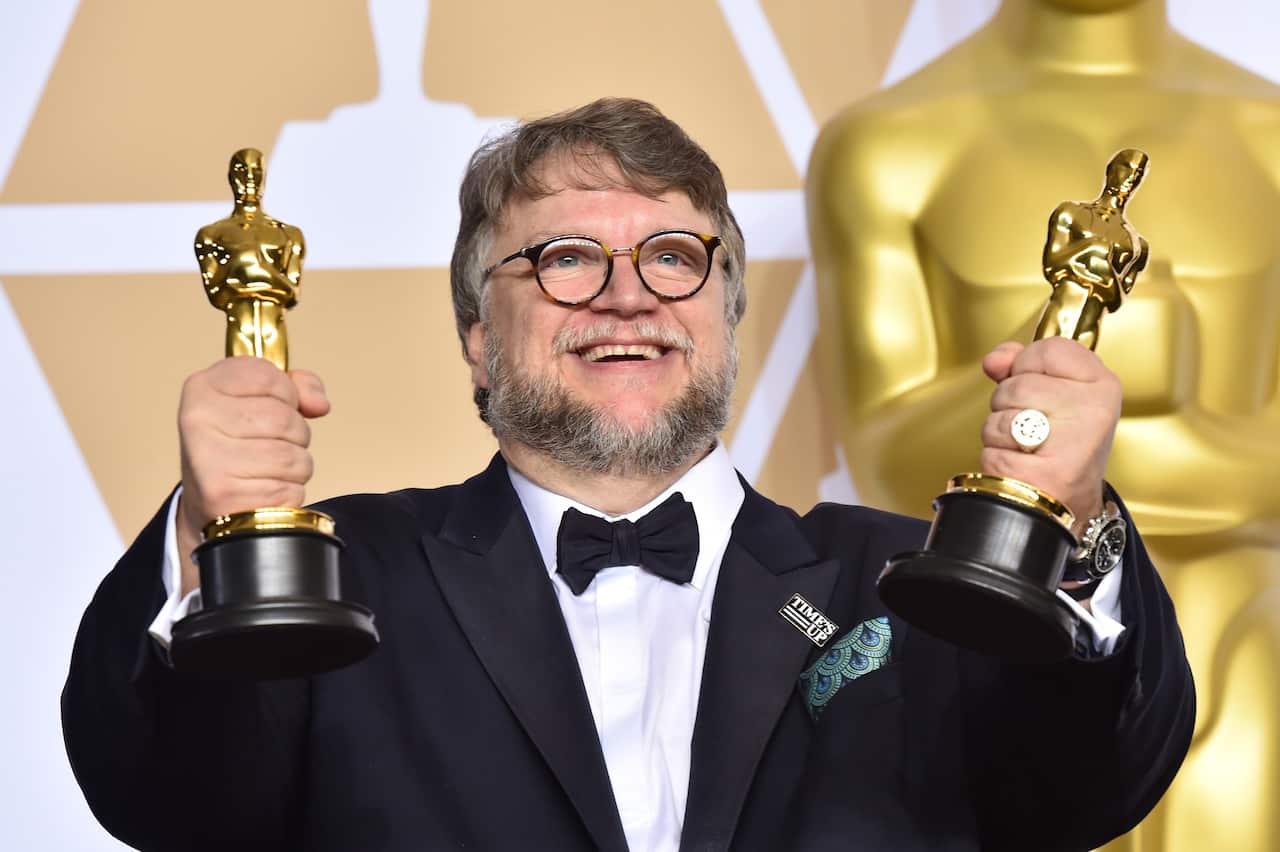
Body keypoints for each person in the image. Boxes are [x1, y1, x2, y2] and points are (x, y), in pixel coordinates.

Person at [64, 97, 1192, 852]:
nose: (625, 293)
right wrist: (206, 538)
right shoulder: (340, 575)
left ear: (723, 316)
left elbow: (1094, 785)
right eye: (564, 257)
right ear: (473, 333)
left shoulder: (906, 583)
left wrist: (1070, 520)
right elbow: (162, 796)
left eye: (670, 254)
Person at [806, 2, 1278, 847]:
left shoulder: (1271, 133)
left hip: (1243, 658)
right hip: (983, 659)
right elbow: (885, 450)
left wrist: (1094, 430)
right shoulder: (886, 144)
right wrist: (1062, 391)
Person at [194, 147, 305, 371]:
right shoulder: (212, 235)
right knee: (240, 385)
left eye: (256, 170)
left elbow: (292, 293)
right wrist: (267, 278)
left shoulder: (288, 234)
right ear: (231, 177)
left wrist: (246, 272)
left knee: (279, 391)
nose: (250, 177)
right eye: (241, 170)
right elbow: (216, 293)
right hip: (239, 322)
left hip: (273, 323)